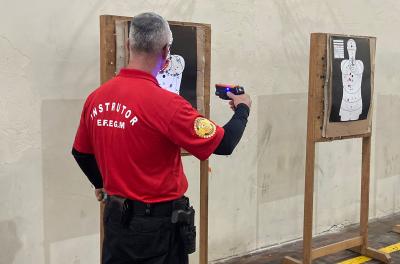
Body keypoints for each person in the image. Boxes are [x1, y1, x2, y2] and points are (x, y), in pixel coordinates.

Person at [72, 12, 251, 264]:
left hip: (115, 220)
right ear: (166, 51)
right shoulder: (167, 105)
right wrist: (243, 108)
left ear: (128, 45)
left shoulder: (97, 98)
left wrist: (101, 184)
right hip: (156, 228)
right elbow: (224, 143)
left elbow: (80, 152)